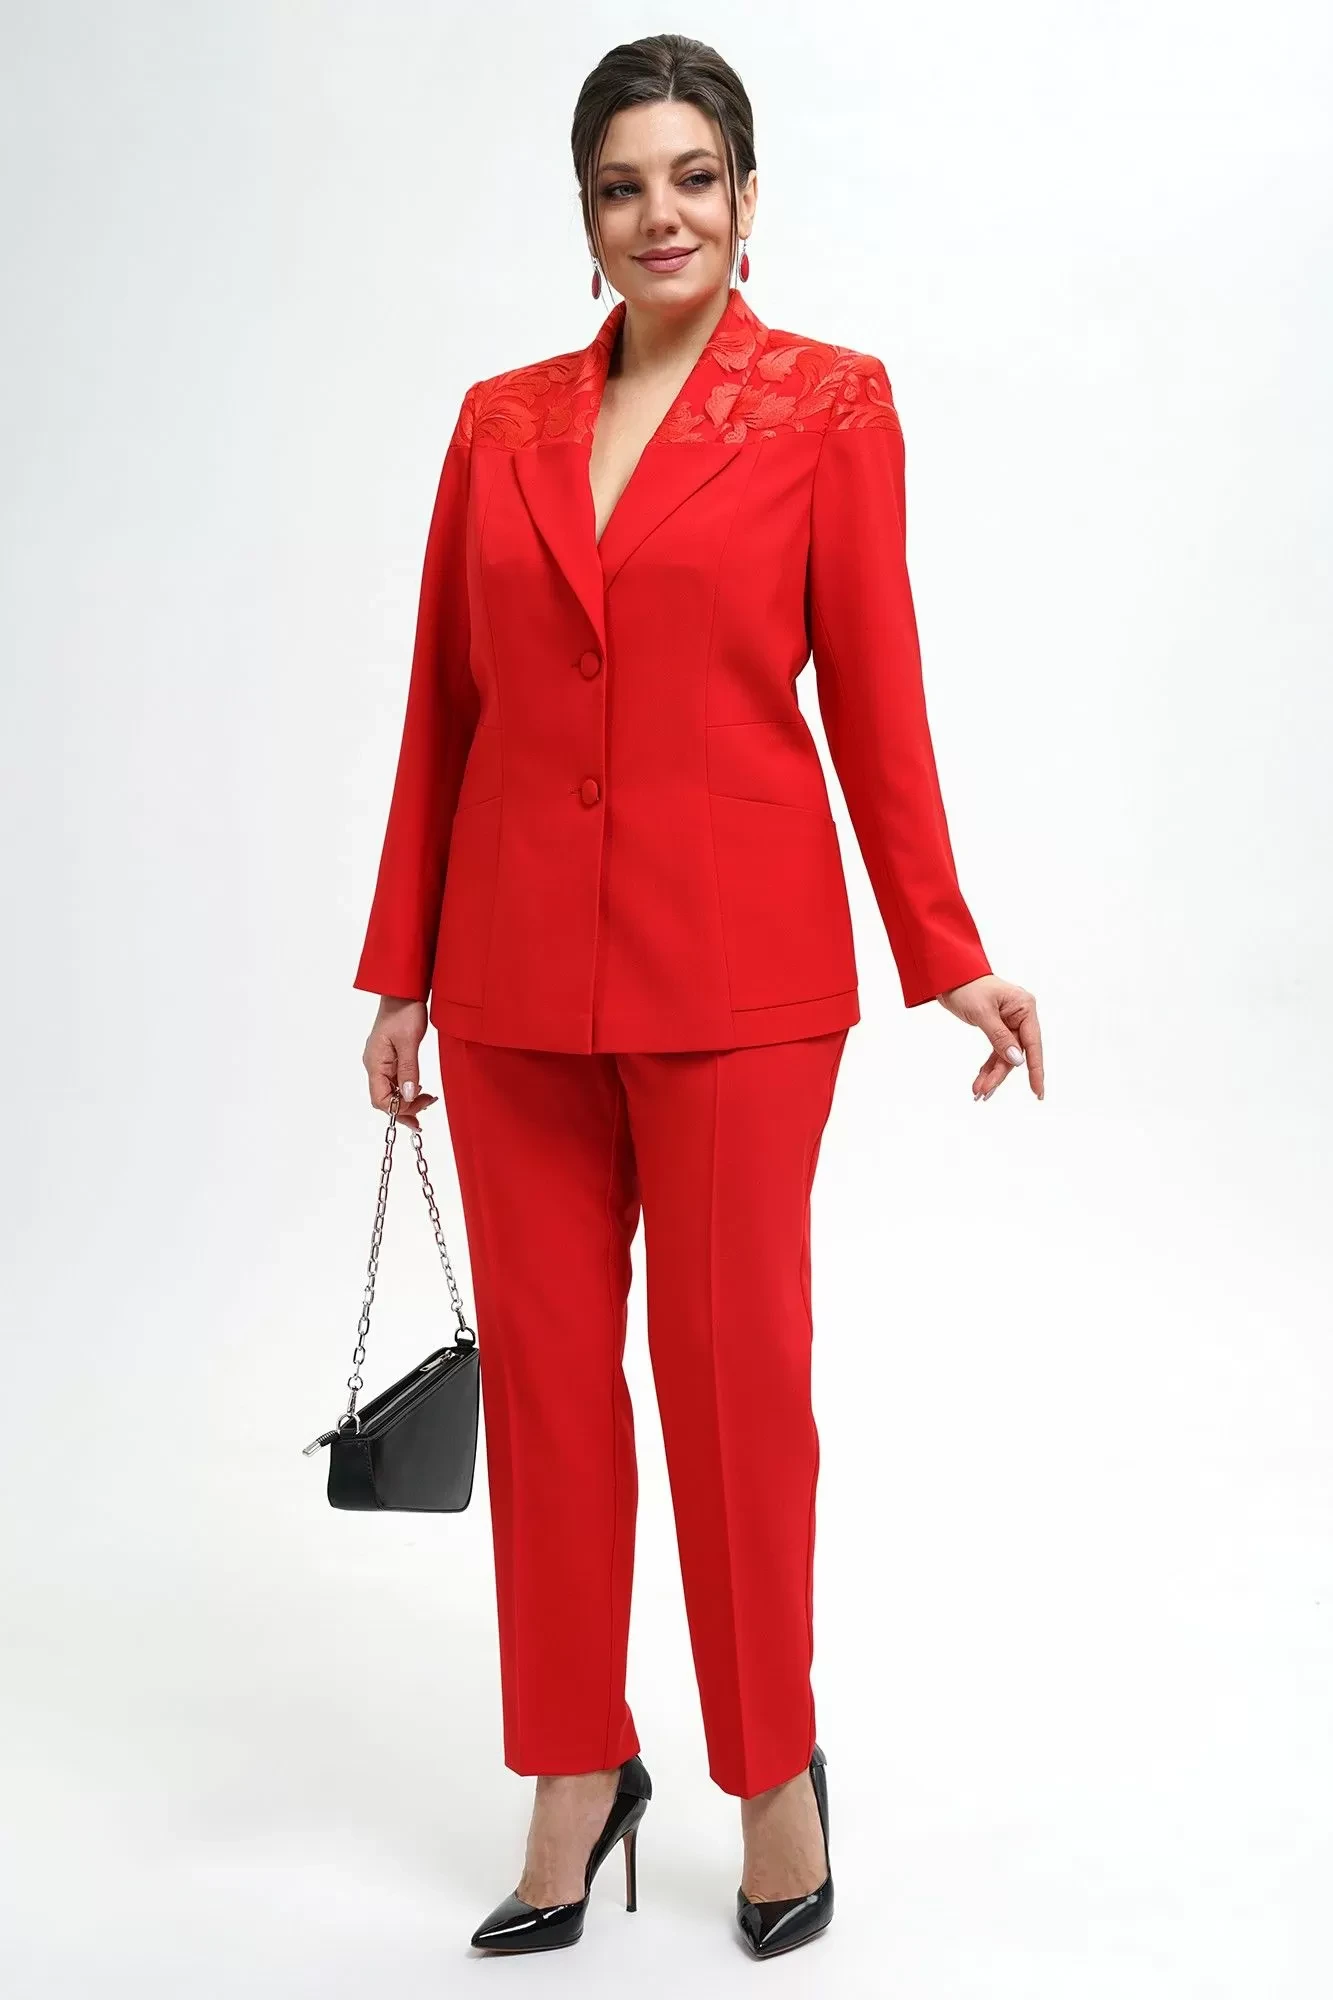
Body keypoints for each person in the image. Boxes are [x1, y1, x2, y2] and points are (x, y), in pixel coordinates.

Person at [352, 31, 1044, 1961]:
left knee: (735, 1389)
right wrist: (403, 967)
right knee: (551, 1396)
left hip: (739, 978)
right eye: (621, 184)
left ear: (747, 198)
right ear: (584, 216)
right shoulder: (497, 423)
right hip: (510, 975)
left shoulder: (828, 405)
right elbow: (445, 705)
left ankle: (770, 1775)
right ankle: (574, 1773)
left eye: (693, 176)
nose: (660, 214)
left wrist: (948, 951)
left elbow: (877, 690)